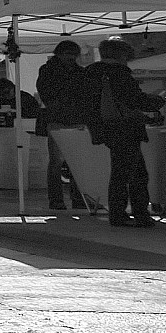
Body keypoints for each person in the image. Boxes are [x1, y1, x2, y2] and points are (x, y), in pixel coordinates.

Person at [85, 38, 162, 227]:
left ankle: (123, 213)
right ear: (122, 54)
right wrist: (156, 101)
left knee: (124, 171)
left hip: (106, 127)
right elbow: (133, 99)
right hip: (125, 128)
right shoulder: (119, 73)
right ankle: (133, 214)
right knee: (132, 174)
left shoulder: (91, 73)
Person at [36, 39, 98, 212]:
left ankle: (75, 198)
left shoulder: (78, 72)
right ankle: (59, 199)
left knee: (73, 161)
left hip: (71, 118)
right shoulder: (50, 70)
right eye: (68, 54)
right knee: (58, 161)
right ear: (60, 54)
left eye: (73, 55)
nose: (71, 58)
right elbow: (46, 94)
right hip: (60, 118)